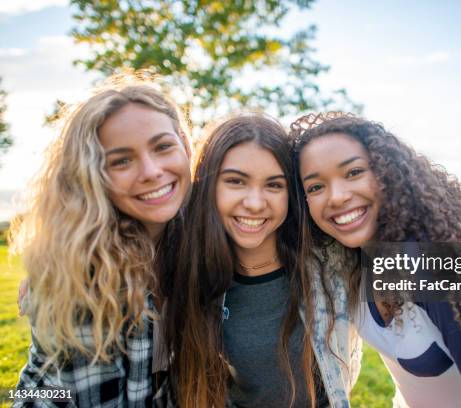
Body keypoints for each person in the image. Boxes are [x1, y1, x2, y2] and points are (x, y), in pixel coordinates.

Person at [291, 113, 461, 408]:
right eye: (315, 187)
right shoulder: (346, 261)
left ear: (388, 173)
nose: (336, 197)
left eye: (354, 172)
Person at [10, 79, 191, 407]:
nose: (151, 171)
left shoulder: (195, 236)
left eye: (163, 147)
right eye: (121, 160)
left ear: (185, 147)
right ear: (92, 176)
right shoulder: (86, 274)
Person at [162, 114, 361, 407]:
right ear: (208, 186)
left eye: (274, 185)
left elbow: (445, 273)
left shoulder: (332, 260)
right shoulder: (189, 270)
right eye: (236, 181)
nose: (255, 203)